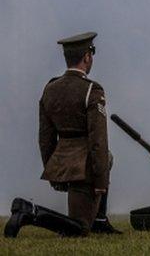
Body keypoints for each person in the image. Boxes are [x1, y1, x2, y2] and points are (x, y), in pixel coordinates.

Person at [5, 32, 119, 238]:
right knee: (80, 229)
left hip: (61, 162)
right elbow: (98, 141)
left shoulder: (50, 89)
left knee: (108, 158)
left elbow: (45, 138)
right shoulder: (92, 90)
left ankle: (100, 220)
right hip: (85, 167)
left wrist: (52, 170)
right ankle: (29, 212)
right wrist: (101, 181)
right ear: (87, 57)